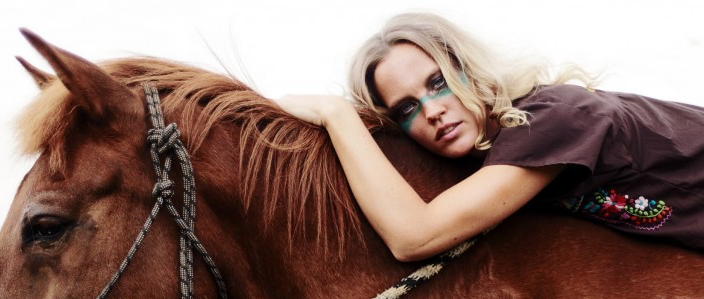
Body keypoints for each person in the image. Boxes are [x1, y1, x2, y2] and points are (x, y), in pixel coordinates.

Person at [277, 12, 704, 259]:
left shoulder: (553, 120)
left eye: (439, 82)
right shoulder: (494, 154)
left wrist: (336, 115)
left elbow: (414, 236)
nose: (432, 110)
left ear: (471, 70)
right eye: (406, 108)